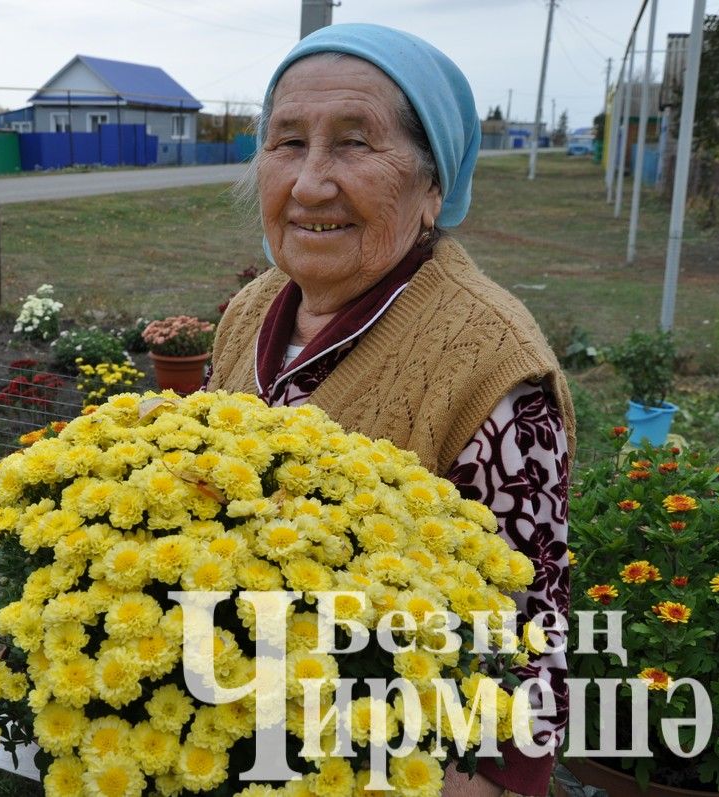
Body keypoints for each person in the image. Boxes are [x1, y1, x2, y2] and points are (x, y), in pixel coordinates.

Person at [207, 24, 575, 797]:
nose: (310, 183)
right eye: (287, 143)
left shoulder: (492, 368)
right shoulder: (251, 310)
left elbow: (526, 631)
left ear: (432, 183)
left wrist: (483, 781)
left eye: (352, 144)